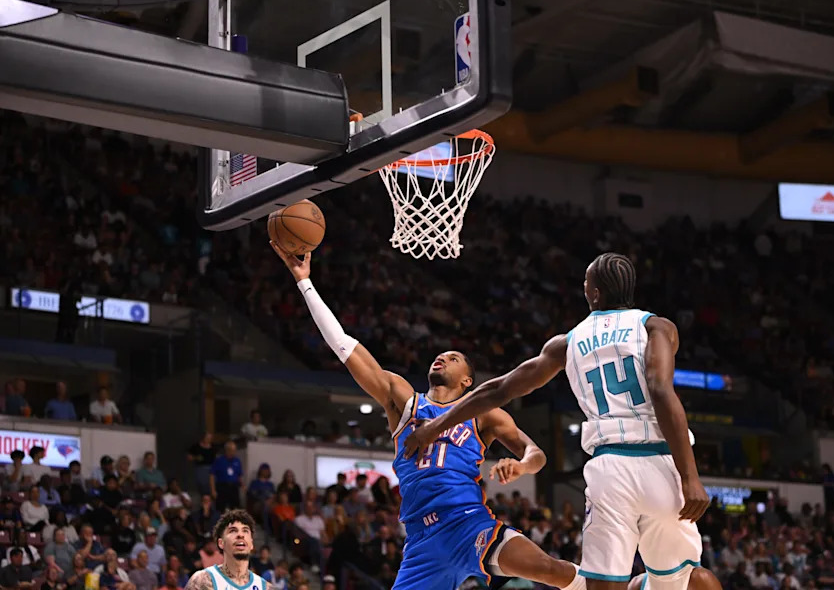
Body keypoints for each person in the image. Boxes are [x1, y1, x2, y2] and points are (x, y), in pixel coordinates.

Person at [272, 243, 585, 590]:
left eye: (453, 358)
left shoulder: (485, 413)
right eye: (439, 356)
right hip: (422, 540)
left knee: (548, 569)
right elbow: (344, 346)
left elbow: (536, 454)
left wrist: (522, 466)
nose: (442, 358)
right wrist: (305, 283)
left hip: (469, 523)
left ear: (468, 380)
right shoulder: (405, 402)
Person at [405, 252, 722, 590]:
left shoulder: (568, 343)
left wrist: (434, 428)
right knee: (692, 580)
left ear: (595, 293)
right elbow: (661, 390)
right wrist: (690, 477)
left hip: (611, 467)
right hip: (661, 461)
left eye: (586, 284)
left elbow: (498, 389)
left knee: (603, 584)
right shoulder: (656, 326)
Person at [183, 510, 273, 590]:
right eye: (233, 531)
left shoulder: (264, 587)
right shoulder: (202, 581)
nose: (240, 535)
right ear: (221, 543)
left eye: (245, 530)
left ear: (251, 544)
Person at [209, 443, 243, 512]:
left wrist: (242, 485)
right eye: (231, 450)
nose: (233, 453)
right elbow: (212, 475)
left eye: (234, 450)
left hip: (234, 487)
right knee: (220, 508)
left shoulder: (237, 461)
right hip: (222, 487)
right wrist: (213, 490)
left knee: (235, 509)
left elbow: (239, 475)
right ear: (227, 450)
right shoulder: (219, 460)